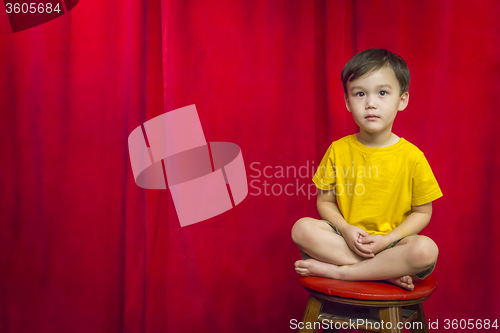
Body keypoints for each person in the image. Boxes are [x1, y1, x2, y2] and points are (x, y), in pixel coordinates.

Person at [291, 48, 443, 291]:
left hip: (393, 244)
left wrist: (387, 240)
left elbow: (423, 212)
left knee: (426, 250)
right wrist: (346, 229)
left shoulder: (413, 157)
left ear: (402, 100)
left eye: (382, 93)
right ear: (348, 102)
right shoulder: (338, 150)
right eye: (360, 94)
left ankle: (343, 273)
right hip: (346, 241)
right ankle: (382, 273)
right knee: (301, 229)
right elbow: (325, 202)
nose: (370, 103)